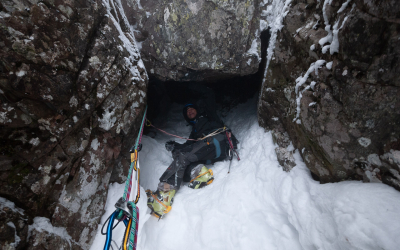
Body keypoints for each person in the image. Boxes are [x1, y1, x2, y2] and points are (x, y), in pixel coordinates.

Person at [146, 83, 238, 219]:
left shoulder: (209, 116)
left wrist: (190, 84)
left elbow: (209, 94)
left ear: (197, 110)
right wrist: (175, 147)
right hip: (211, 149)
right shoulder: (194, 133)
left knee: (184, 156)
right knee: (180, 156)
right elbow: (187, 148)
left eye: (191, 109)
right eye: (187, 112)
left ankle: (164, 193)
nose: (189, 111)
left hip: (218, 141)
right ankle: (199, 172)